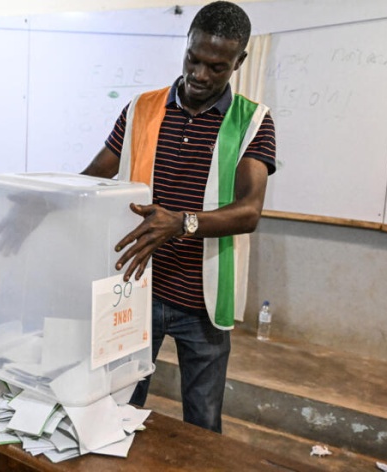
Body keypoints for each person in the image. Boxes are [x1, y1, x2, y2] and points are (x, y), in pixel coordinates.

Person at [81, 1, 276, 433]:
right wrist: (40, 206)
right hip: (134, 290)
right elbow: (94, 176)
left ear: (239, 62)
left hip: (201, 301)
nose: (200, 74)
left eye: (217, 66)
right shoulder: (141, 109)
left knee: (202, 424)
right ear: (186, 44)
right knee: (115, 411)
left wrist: (181, 223)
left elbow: (249, 211)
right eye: (193, 58)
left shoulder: (252, 121)